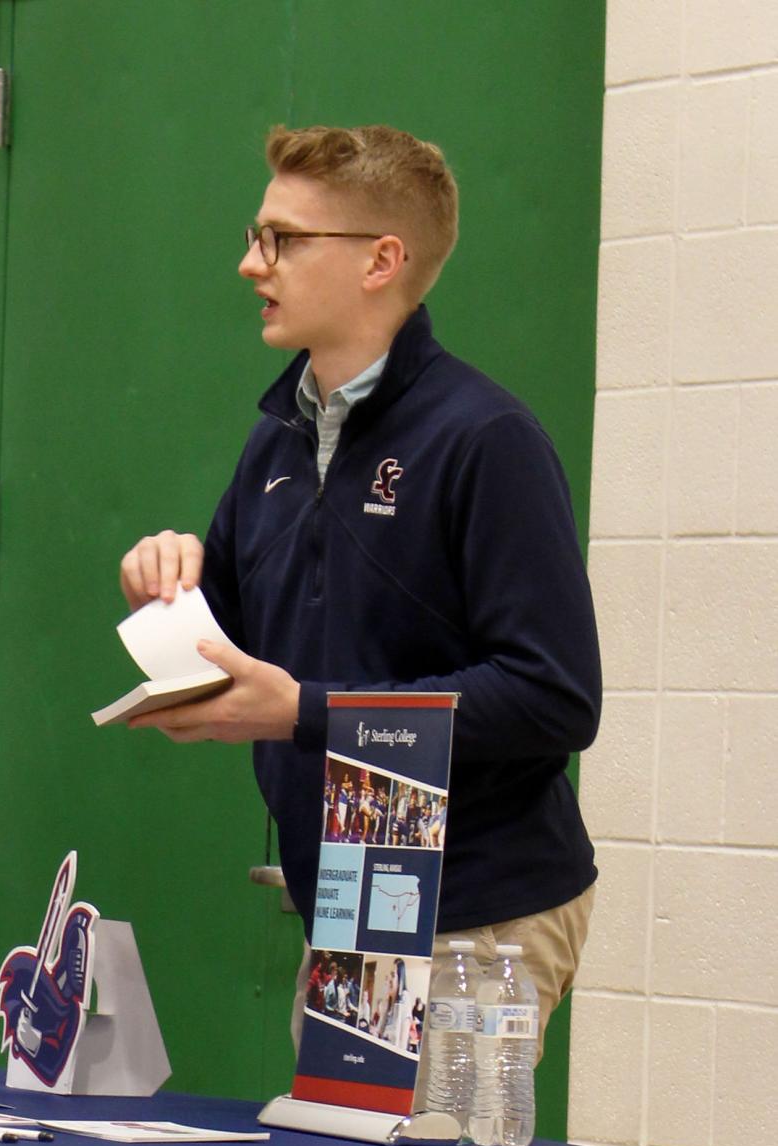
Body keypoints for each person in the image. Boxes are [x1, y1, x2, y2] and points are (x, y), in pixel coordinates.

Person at [119, 124, 600, 1059]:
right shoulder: (277, 440)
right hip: (348, 896)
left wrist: (308, 712)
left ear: (382, 260)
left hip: (474, 909)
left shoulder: (484, 439)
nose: (250, 264)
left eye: (281, 240)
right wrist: (168, 581)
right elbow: (231, 635)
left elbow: (554, 696)